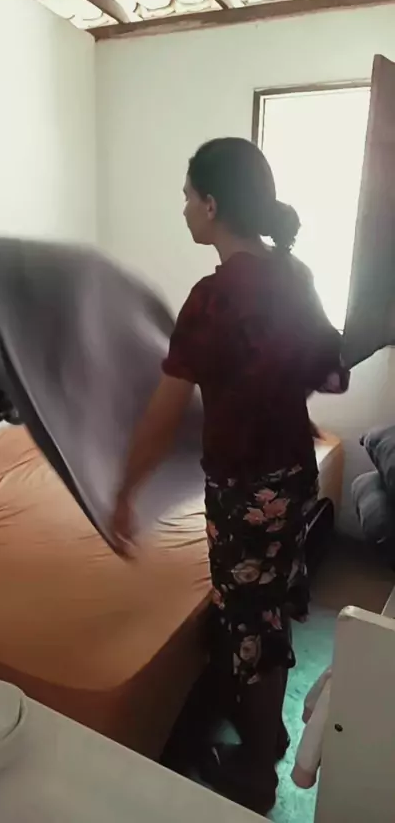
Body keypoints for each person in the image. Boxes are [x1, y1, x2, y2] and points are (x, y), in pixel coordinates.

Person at [110, 137, 348, 813]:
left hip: (245, 489)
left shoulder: (212, 298)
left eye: (188, 196)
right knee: (268, 607)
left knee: (248, 622)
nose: (184, 209)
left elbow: (163, 414)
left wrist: (126, 491)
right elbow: (329, 373)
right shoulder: (293, 275)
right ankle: (269, 733)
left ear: (212, 205)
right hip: (292, 477)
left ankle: (254, 772)